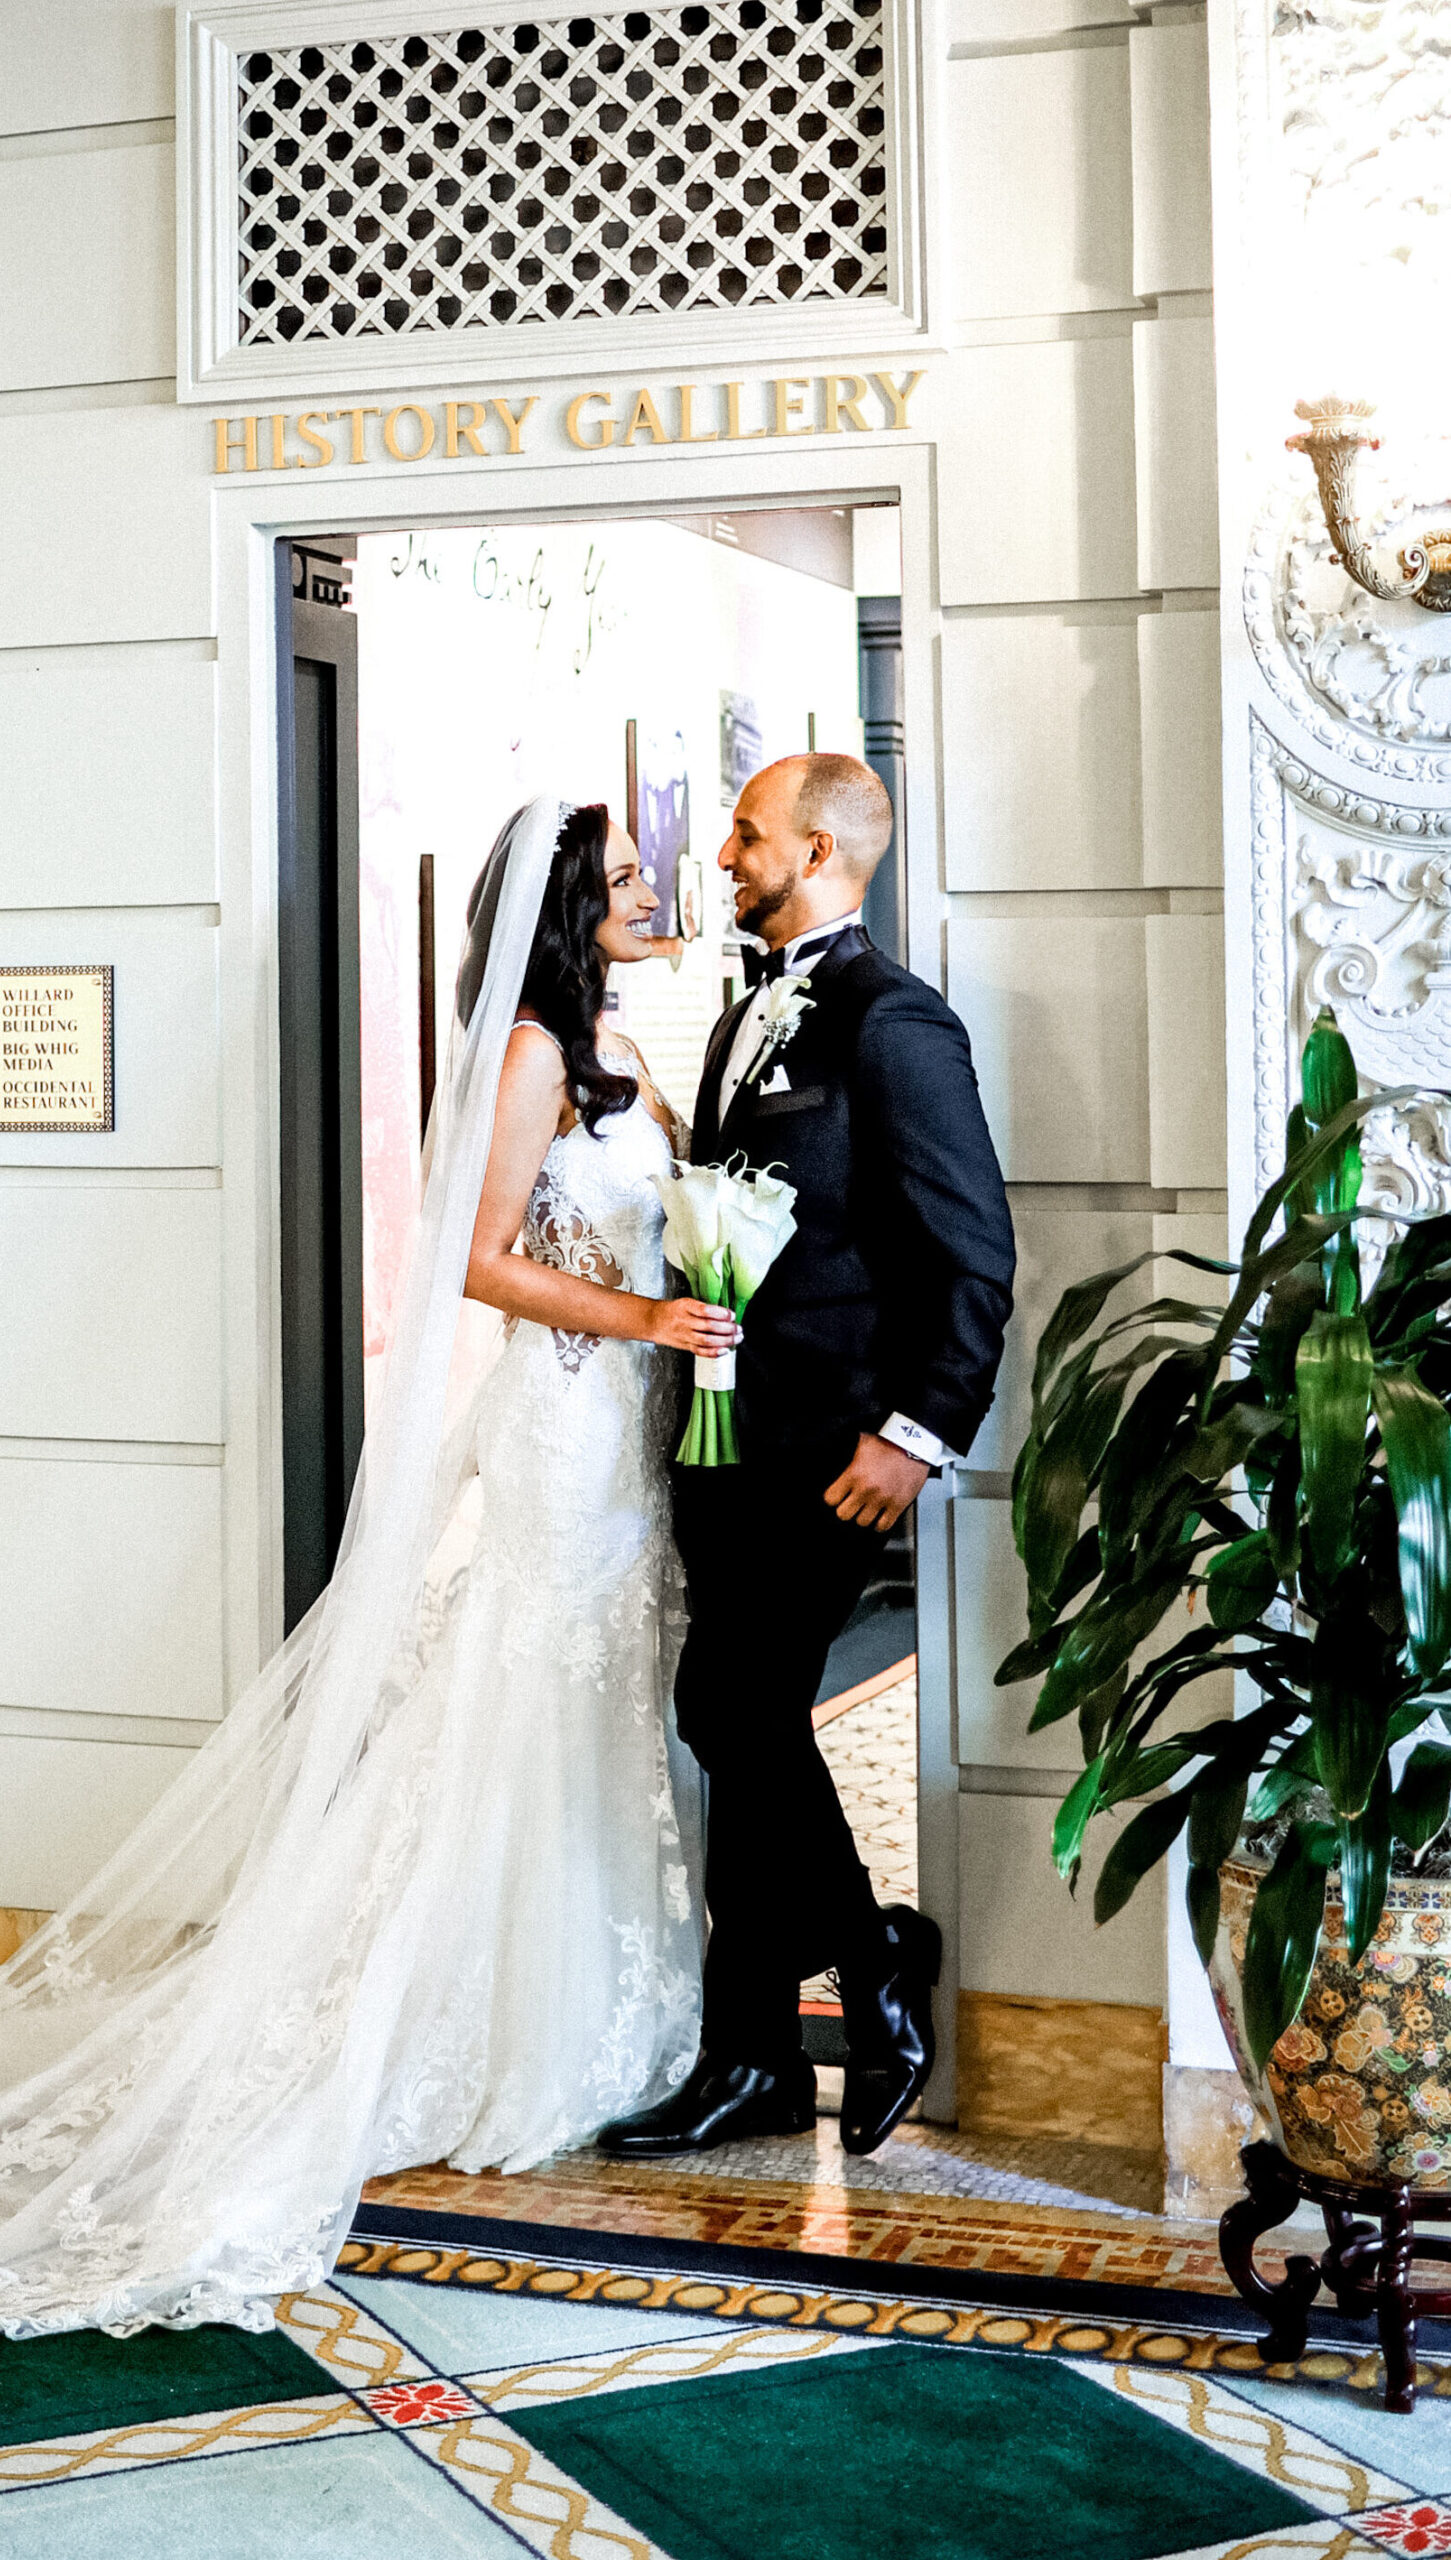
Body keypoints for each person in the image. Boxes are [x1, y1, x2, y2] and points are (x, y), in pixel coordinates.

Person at [0, 797, 730, 2358]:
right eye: (616, 879)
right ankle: (487, 2034)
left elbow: (646, 1220)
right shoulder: (532, 1052)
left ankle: (608, 2023)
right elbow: (473, 1258)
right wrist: (643, 1324)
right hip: (567, 1414)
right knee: (533, 1688)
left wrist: (701, 1272)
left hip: (633, 1420)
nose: (643, 893)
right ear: (556, 905)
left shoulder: (608, 1047)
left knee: (615, 1691)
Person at [599, 754, 1015, 2166]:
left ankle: (874, 1951)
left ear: (823, 847)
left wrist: (914, 1436)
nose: (722, 851)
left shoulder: (898, 1025)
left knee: (728, 1702)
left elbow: (973, 1254)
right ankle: (759, 2059)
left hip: (837, 1451)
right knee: (745, 1719)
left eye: (746, 830)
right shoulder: (732, 1021)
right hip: (725, 1436)